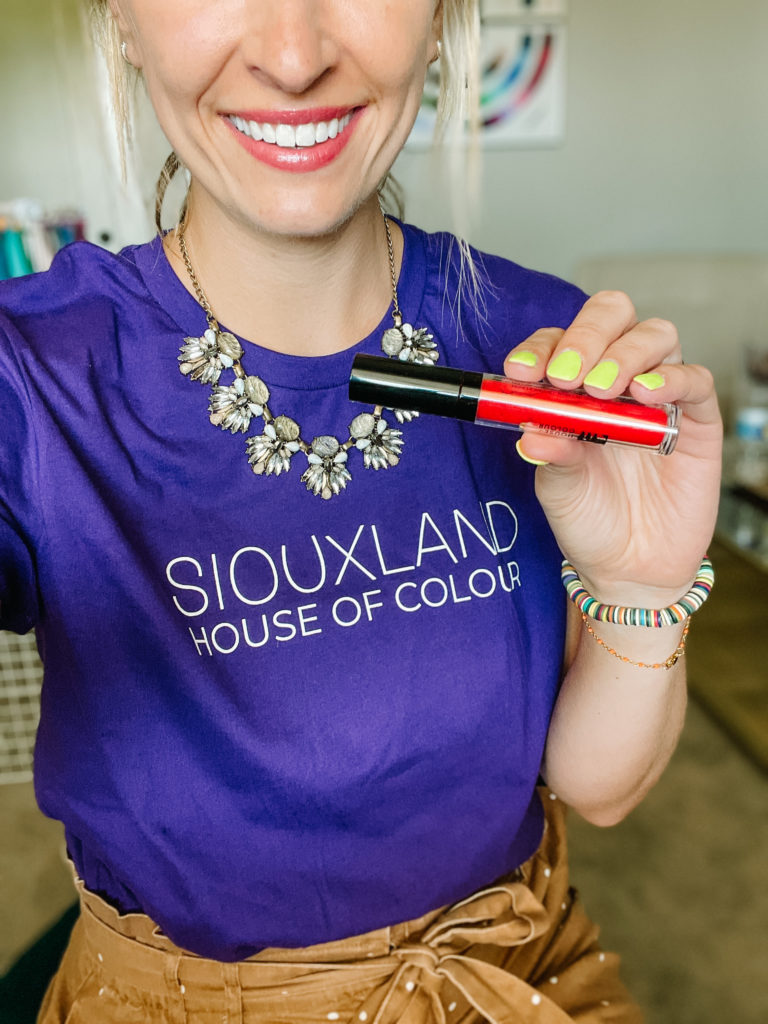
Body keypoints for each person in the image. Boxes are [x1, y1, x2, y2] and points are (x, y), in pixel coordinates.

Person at [0, 0, 722, 1021]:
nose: (292, 57)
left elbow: (597, 787)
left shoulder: (539, 347)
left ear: (440, 17)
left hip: (524, 974)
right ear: (122, 17)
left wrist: (637, 586)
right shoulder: (28, 377)